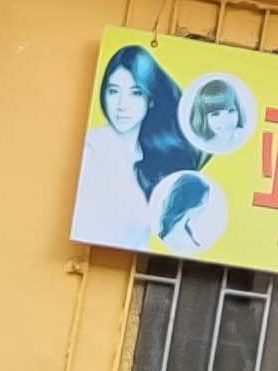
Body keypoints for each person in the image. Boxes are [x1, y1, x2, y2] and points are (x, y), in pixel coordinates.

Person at [75, 44, 215, 252]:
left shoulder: (152, 161)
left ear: (151, 99)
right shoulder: (91, 150)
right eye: (113, 91)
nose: (121, 105)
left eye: (136, 93)